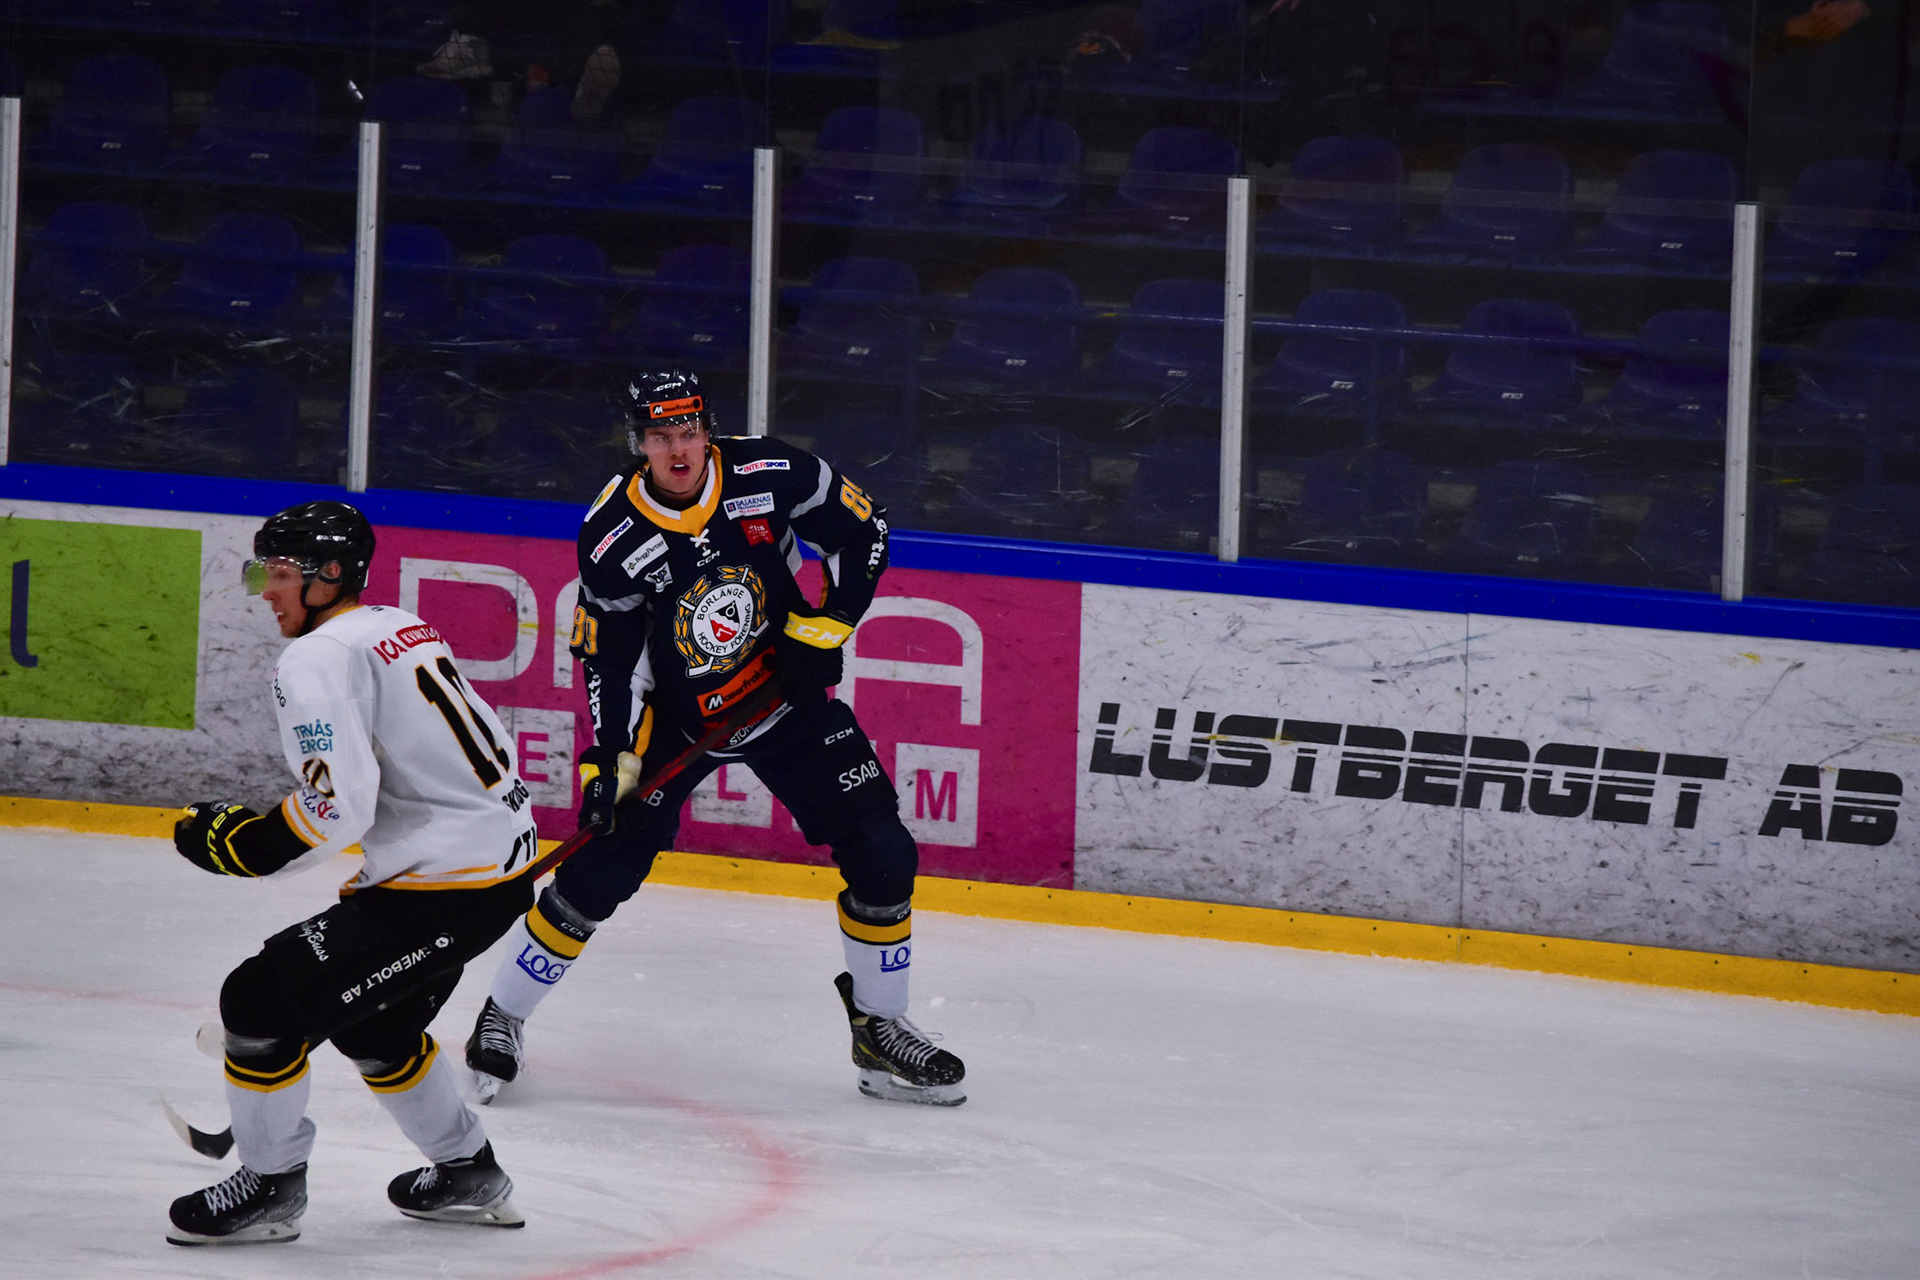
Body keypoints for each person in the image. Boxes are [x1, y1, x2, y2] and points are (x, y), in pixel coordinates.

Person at [463, 370, 967, 1107]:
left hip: (783, 696)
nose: (679, 450)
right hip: (679, 719)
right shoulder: (613, 532)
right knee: (601, 870)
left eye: (689, 432)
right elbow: (610, 657)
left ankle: (880, 1029)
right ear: (638, 443)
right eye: (660, 436)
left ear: (707, 430)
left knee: (884, 853)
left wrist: (826, 626)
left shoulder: (769, 472)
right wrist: (611, 758)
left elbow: (866, 529)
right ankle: (503, 1014)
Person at [166, 501, 543, 1246]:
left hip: (446, 888)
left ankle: (271, 1187)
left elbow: (341, 803)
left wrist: (250, 845)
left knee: (257, 1004)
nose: (265, 592)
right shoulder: (397, 624)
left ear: (329, 576)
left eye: (279, 575)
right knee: (379, 1025)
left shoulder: (315, 657)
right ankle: (467, 1173)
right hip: (490, 872)